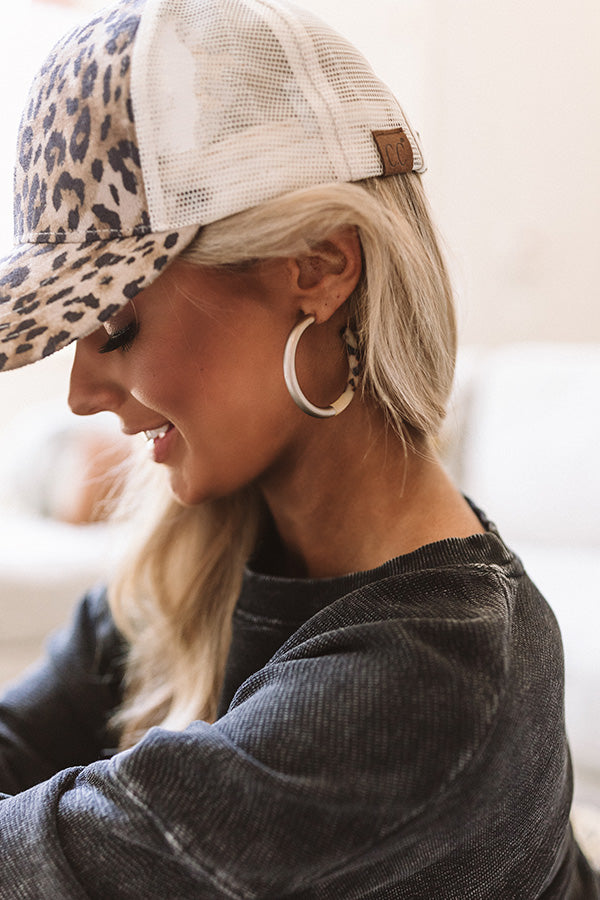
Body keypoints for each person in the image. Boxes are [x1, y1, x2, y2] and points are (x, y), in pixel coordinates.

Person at [0, 0, 597, 896]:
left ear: (318, 267)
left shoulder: (428, 683)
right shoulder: (203, 554)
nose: (81, 393)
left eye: (116, 326)